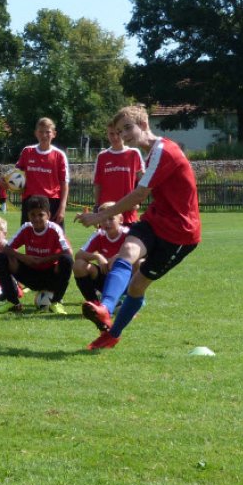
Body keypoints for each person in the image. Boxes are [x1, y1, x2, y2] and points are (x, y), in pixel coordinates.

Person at [75, 104, 201, 350]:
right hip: (156, 220)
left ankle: (112, 335)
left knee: (137, 286)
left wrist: (101, 215)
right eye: (121, 131)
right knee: (127, 253)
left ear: (144, 124)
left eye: (127, 128)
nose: (124, 135)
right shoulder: (150, 153)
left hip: (180, 233)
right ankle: (105, 308)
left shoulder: (164, 150)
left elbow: (139, 194)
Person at [0, 195, 73, 314]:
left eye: (40, 215)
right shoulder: (26, 228)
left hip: (51, 277)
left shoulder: (54, 229)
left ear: (48, 215)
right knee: (0, 258)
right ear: (28, 215)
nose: (36, 218)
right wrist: (24, 257)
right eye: (33, 215)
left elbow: (69, 252)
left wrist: (43, 260)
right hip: (31, 274)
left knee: (67, 260)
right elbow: (6, 249)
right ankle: (13, 302)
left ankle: (56, 302)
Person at [4, 117, 69, 228]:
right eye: (41, 132)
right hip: (30, 201)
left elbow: (64, 183)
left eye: (47, 132)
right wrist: (5, 181)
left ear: (54, 134)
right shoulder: (27, 151)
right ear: (36, 133)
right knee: (29, 237)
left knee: (54, 238)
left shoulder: (59, 155)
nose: (44, 135)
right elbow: (16, 175)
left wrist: (62, 208)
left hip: (52, 202)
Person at [72, 202, 128, 304]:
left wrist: (118, 257)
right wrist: (97, 256)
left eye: (111, 218)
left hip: (125, 280)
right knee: (79, 265)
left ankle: (129, 299)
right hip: (106, 276)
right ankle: (94, 304)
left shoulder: (128, 235)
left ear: (121, 219)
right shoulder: (99, 235)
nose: (107, 222)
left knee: (139, 262)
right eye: (103, 219)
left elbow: (142, 256)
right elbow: (78, 255)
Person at [93, 121, 145, 224]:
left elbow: (143, 180)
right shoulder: (102, 156)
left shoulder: (134, 153)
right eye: (111, 134)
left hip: (128, 211)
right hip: (107, 212)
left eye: (118, 133)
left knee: (129, 239)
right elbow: (97, 184)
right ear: (107, 134)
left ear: (123, 133)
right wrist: (96, 206)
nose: (115, 137)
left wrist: (138, 202)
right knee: (107, 240)